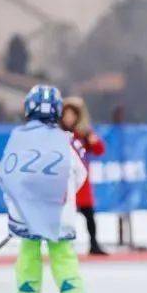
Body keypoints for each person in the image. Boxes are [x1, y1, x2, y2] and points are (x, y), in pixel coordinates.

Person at [0, 85, 87, 293]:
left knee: (29, 252)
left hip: (27, 211)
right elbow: (80, 173)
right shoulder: (67, 140)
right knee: (62, 252)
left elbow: (7, 173)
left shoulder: (18, 140)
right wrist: (64, 197)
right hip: (59, 213)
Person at [60, 97, 108, 255]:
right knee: (66, 216)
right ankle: (65, 245)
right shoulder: (59, 134)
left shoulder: (84, 134)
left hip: (82, 182)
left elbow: (100, 149)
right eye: (66, 115)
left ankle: (93, 244)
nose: (69, 118)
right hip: (65, 182)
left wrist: (93, 141)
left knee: (89, 215)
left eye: (72, 115)